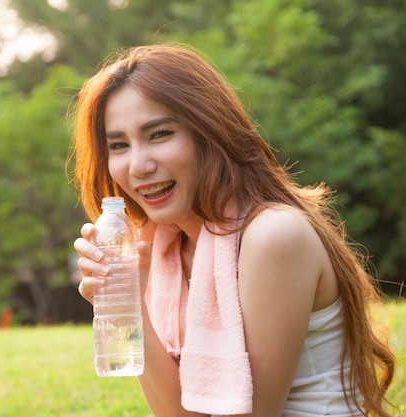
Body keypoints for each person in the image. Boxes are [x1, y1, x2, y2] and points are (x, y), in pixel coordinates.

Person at [68, 43, 395, 417]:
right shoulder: (166, 246)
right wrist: (129, 302)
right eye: (119, 145)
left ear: (210, 131)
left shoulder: (273, 236)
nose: (138, 165)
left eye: (159, 134)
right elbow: (177, 413)